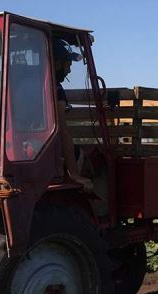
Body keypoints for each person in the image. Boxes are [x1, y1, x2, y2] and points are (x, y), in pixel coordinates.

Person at [52, 38, 93, 191]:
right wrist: (74, 174)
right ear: (57, 64)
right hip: (42, 152)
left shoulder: (22, 83)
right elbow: (62, 132)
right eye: (68, 65)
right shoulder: (55, 90)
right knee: (77, 153)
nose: (69, 71)